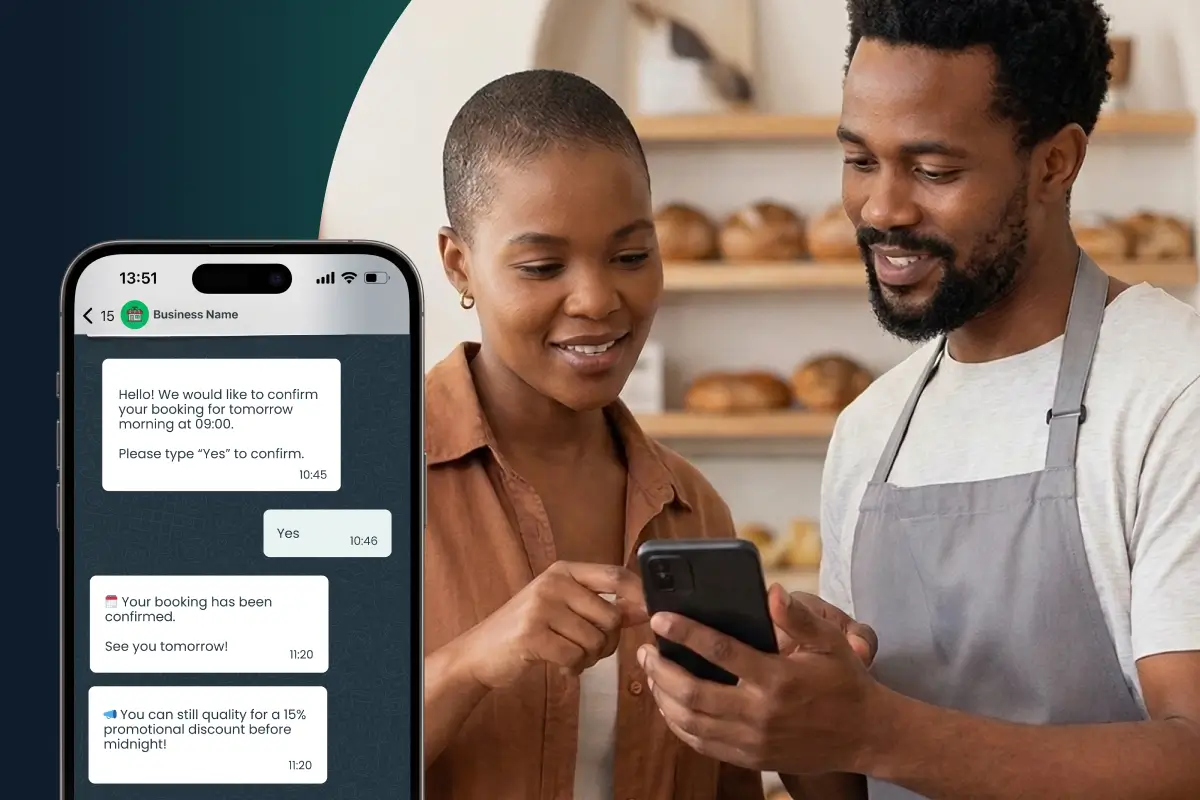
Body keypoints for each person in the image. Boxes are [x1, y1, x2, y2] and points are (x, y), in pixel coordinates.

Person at [637, 1, 1200, 798]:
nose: (881, 210)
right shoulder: (872, 430)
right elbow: (848, 784)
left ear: (1055, 164)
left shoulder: (1175, 392)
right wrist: (778, 709)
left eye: (934, 171)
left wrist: (876, 729)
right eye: (861, 161)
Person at [421, 69, 767, 800]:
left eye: (632, 256)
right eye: (543, 266)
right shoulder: (351, 471)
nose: (598, 299)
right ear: (460, 264)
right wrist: (470, 662)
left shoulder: (692, 510)